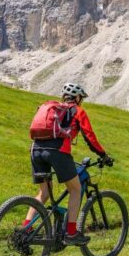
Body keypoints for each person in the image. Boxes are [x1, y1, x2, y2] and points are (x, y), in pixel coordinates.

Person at [23, 83, 113, 246]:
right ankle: (71, 233)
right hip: (57, 152)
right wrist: (103, 155)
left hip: (35, 150)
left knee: (43, 193)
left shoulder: (52, 109)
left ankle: (25, 229)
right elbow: (90, 137)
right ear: (77, 98)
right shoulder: (78, 111)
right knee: (76, 189)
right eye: (81, 98)